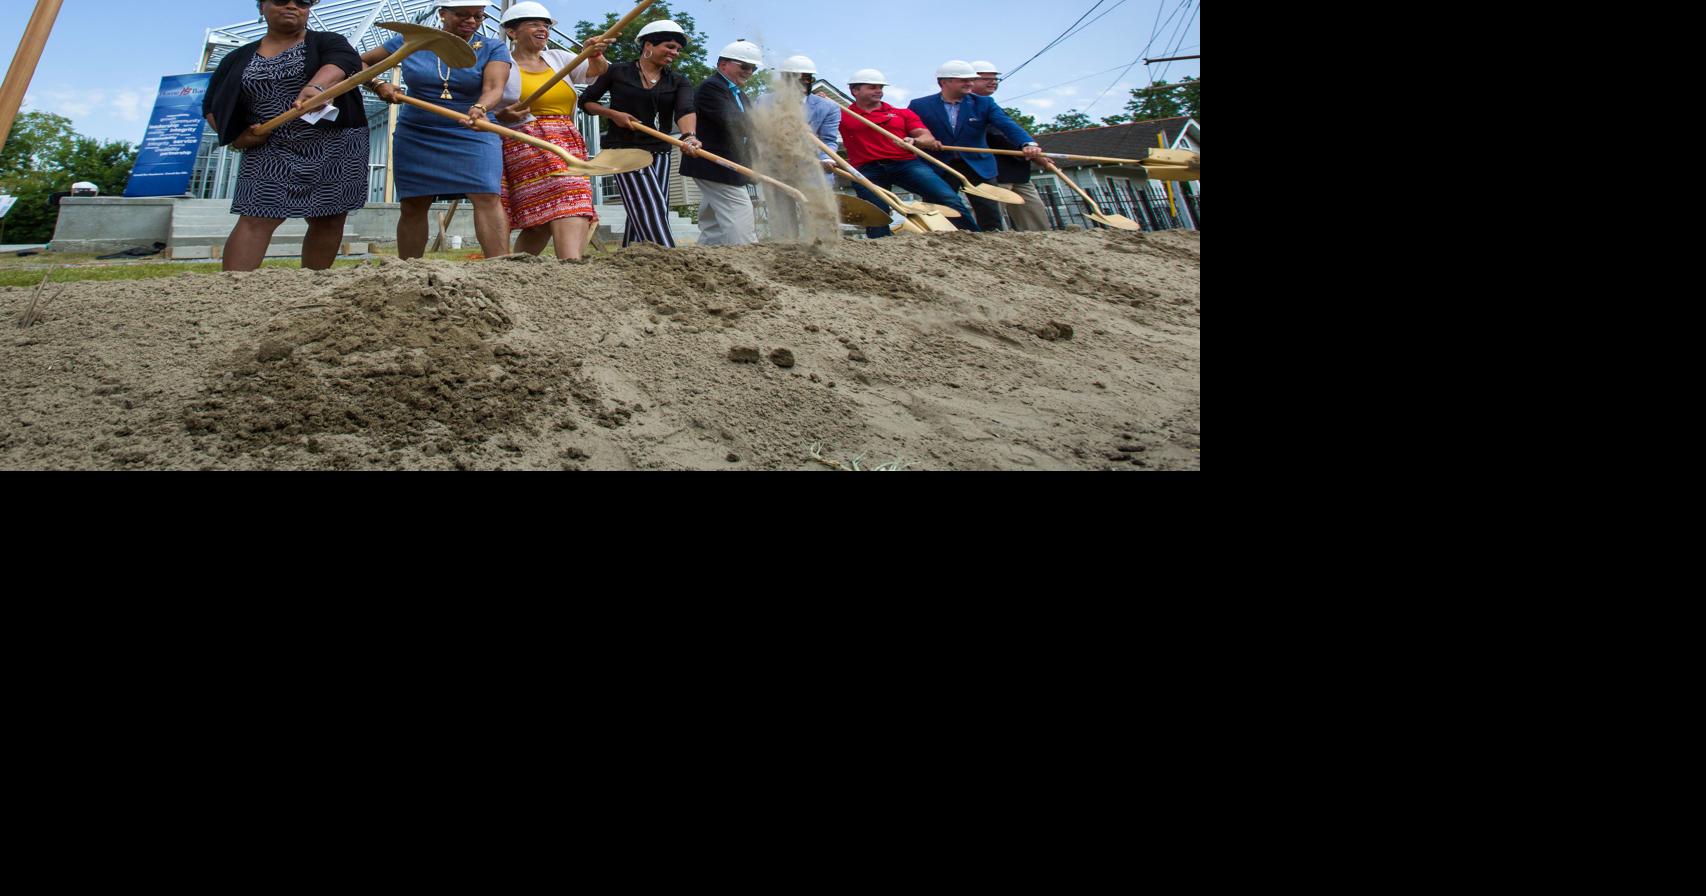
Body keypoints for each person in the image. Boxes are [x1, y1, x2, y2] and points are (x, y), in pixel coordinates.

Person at [202, 0, 370, 272]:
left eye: (302, 2)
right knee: (256, 215)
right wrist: (236, 136)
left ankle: (311, 284)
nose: (292, 6)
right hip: (269, 145)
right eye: (281, 0)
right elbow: (211, 106)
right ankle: (232, 289)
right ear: (261, 7)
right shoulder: (236, 59)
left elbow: (345, 61)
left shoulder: (328, 41)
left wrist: (318, 88)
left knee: (328, 217)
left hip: (336, 143)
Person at [363, 0, 512, 259]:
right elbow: (357, 63)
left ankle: (500, 267)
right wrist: (378, 84)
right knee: (413, 202)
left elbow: (494, 88)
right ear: (443, 14)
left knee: (487, 194)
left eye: (478, 16)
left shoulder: (492, 47)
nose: (472, 22)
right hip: (418, 130)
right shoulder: (412, 41)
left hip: (472, 128)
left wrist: (480, 107)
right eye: (463, 15)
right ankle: (409, 270)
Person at [493, 2, 611, 261]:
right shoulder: (502, 63)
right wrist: (500, 115)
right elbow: (490, 102)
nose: (543, 29)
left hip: (567, 139)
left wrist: (594, 54)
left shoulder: (560, 59)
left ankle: (515, 271)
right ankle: (571, 266)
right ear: (512, 32)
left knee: (544, 218)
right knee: (569, 195)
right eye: (534, 24)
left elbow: (596, 71)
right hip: (525, 140)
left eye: (546, 25)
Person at [579, 19, 700, 248]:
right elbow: (586, 102)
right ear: (648, 46)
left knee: (649, 207)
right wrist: (613, 114)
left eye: (677, 49)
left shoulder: (678, 81)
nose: (674, 53)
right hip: (624, 151)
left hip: (660, 153)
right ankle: (669, 257)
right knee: (650, 207)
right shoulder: (618, 72)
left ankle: (632, 256)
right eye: (669, 46)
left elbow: (685, 110)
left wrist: (689, 136)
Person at [837, 68, 976, 239]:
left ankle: (974, 237)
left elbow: (926, 137)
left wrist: (914, 141)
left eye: (880, 87)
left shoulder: (901, 113)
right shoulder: (841, 114)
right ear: (855, 90)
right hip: (866, 170)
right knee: (876, 216)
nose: (879, 91)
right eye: (872, 87)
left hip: (906, 164)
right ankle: (881, 251)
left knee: (948, 198)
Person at [908, 60, 1042, 232]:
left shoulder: (984, 103)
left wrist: (1027, 143)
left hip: (978, 165)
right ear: (944, 82)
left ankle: (992, 242)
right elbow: (912, 129)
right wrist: (921, 140)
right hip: (940, 165)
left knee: (989, 211)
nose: (969, 83)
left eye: (971, 80)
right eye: (963, 80)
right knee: (939, 209)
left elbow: (1006, 124)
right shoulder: (920, 105)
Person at [680, 40, 762, 247]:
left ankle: (706, 256)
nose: (749, 71)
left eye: (753, 67)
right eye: (744, 66)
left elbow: (749, 134)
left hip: (728, 164)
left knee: (713, 222)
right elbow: (733, 121)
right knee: (739, 212)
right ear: (723, 64)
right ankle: (747, 256)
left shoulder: (739, 94)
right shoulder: (712, 88)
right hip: (715, 163)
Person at [759, 54, 840, 239]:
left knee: (818, 219)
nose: (803, 83)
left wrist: (826, 158)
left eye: (807, 79)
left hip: (811, 168)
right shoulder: (764, 102)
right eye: (796, 79)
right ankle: (787, 255)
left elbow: (828, 140)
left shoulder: (828, 107)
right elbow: (759, 135)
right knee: (783, 223)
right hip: (777, 169)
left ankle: (822, 251)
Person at [971, 61, 1050, 232]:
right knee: (992, 219)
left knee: (1034, 213)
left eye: (995, 79)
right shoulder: (969, 108)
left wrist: (1030, 147)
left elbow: (1010, 131)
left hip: (1018, 170)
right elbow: (997, 136)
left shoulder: (991, 106)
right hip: (993, 172)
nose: (993, 82)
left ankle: (1042, 244)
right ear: (969, 81)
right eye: (986, 78)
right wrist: (1035, 155)